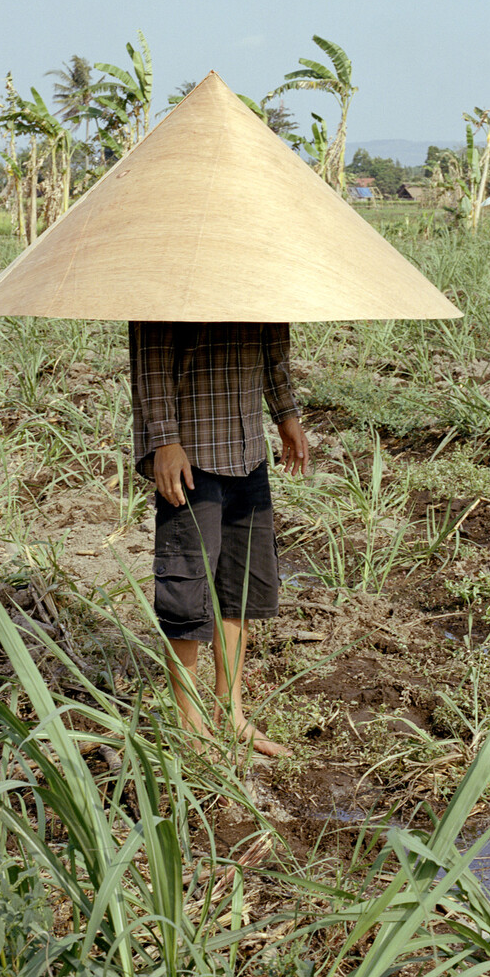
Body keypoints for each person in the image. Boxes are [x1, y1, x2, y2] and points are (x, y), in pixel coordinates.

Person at [129, 320, 309, 757]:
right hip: (190, 452)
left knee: (241, 585)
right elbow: (150, 364)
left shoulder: (258, 278)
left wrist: (286, 416)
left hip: (247, 452)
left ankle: (230, 711)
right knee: (185, 586)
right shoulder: (167, 281)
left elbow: (274, 351)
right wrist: (165, 442)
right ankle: (189, 720)